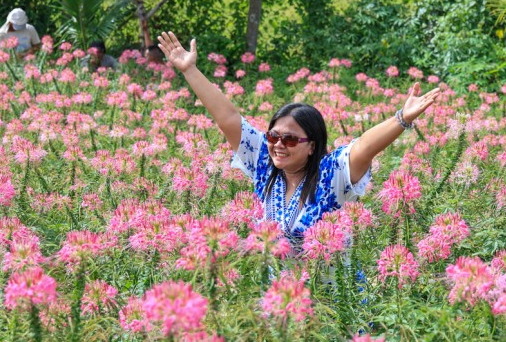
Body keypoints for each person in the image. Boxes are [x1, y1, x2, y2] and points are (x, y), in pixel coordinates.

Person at [156, 31, 441, 255]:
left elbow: (365, 146)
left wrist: (402, 118)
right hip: (279, 308)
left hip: (332, 308)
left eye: (291, 139)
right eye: (273, 136)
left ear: (312, 146)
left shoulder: (331, 173)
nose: (279, 144)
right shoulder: (264, 164)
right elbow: (229, 118)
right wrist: (189, 70)